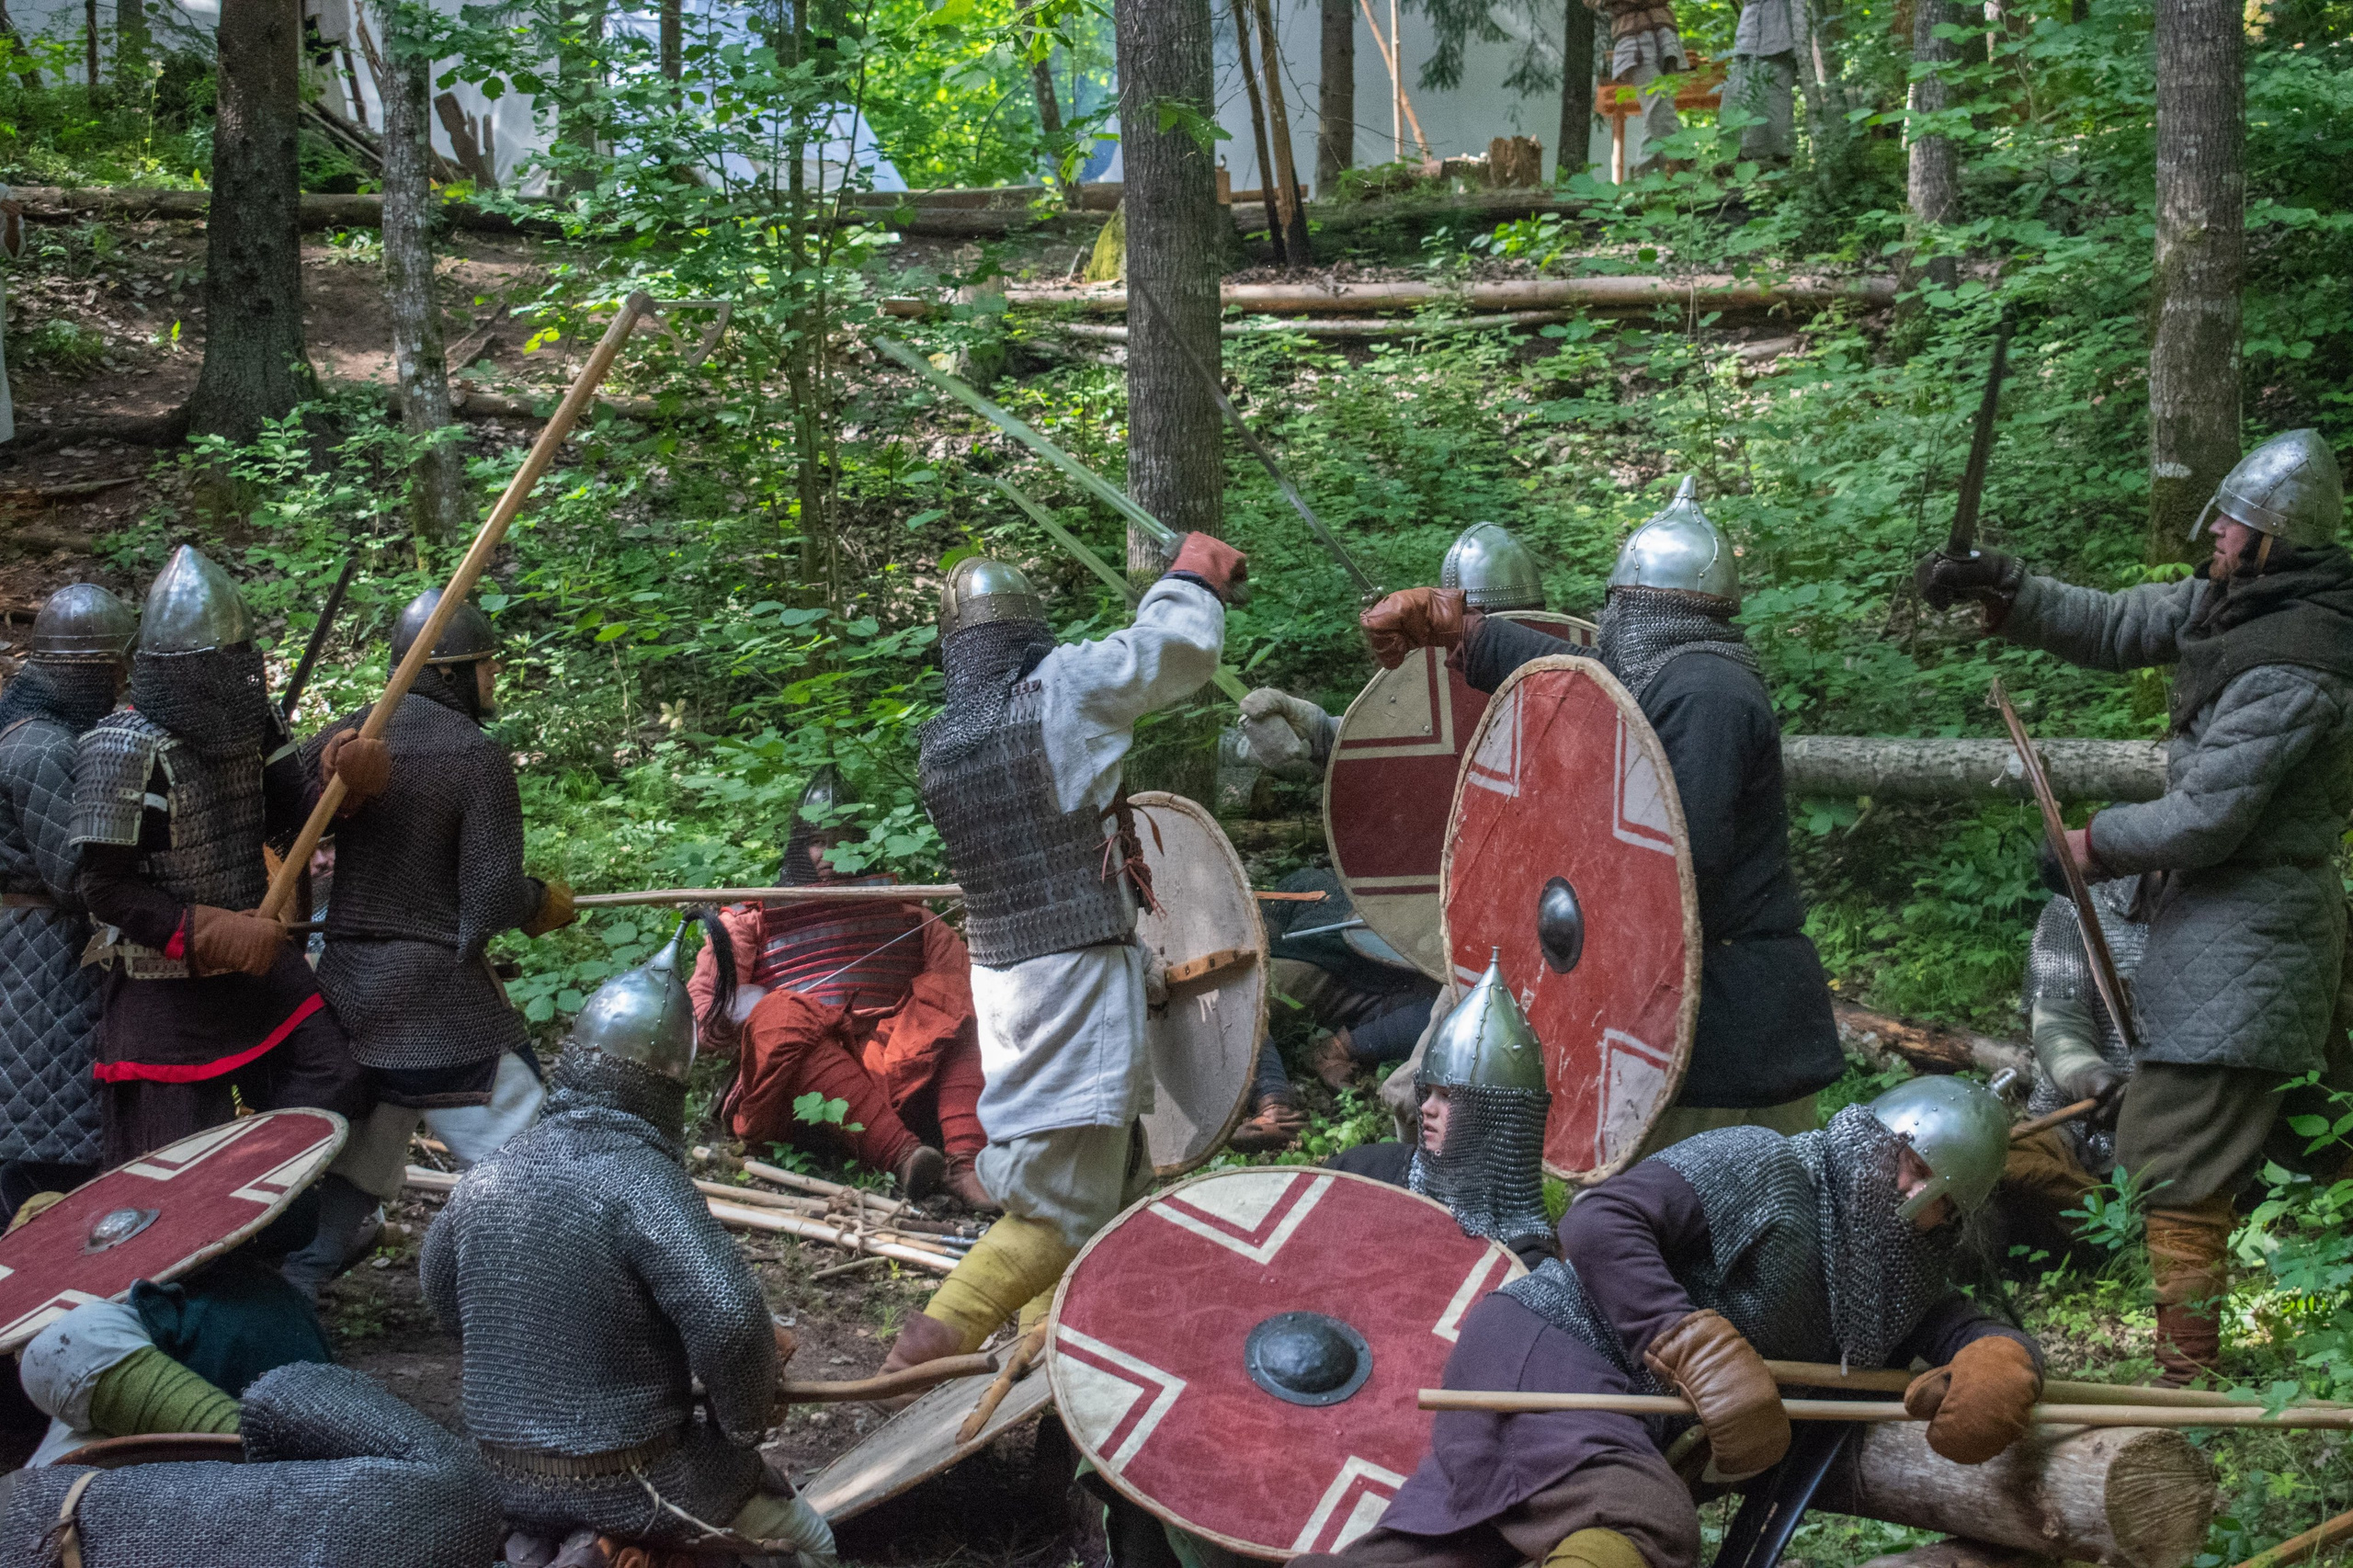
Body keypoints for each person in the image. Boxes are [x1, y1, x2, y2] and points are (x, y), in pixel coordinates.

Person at [1915, 427, 2353, 1382]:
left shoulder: (2299, 659)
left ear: (2278, 539)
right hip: (2227, 927)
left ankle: (2188, 1386)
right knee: (2221, 1153)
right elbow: (2119, 622)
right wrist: (2008, 586)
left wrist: (2091, 842)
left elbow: (2208, 818)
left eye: (2236, 526)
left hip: (2257, 929)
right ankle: (2220, 1370)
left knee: (2173, 1154)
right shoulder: (2242, 606)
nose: (2220, 538)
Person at [1292, 1078, 2042, 1568]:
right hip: (1553, 1348)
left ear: (1953, 1216)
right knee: (1644, 1523)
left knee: (1467, 1547)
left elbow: (1954, 1327)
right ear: (1871, 1136)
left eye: (1932, 1187)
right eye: (1902, 1159)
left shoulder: (1896, 1276)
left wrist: (1997, 1360)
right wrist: (1685, 1340)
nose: (1907, 1189)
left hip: (1610, 1414)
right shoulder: (1766, 1164)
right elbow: (1601, 1220)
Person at [1360, 480, 1846, 1156]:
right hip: (1694, 1012)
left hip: (1732, 1032)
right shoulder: (1675, 680)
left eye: (1616, 605)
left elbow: (1673, 865)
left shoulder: (1706, 694)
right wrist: (1464, 632)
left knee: (1714, 1229)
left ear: (1635, 607)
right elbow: (1583, 684)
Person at [880, 540, 1244, 1379]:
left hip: (1008, 983)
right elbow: (1172, 652)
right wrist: (1186, 580)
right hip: (1075, 979)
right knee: (1064, 1204)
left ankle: (1053, 1346)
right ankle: (932, 1339)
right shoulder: (1059, 692)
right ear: (1026, 634)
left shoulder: (942, 744)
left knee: (1096, 1171)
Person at [421, 915, 835, 1566]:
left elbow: (442, 1290)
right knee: (812, 1542)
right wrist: (744, 1422)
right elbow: (729, 1323)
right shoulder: (643, 1183)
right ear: (669, 1088)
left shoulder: (491, 1173)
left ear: (577, 1059)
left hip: (499, 1474)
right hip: (636, 1480)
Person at [282, 589, 574, 1298]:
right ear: (449, 672)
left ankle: (290, 1289)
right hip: (437, 1002)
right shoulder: (474, 756)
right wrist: (539, 903)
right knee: (546, 1169)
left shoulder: (349, 737)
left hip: (348, 992)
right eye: (485, 667)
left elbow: (281, 825)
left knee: (361, 1152)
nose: (492, 682)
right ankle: (568, 1297)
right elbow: (490, 898)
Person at [68, 545, 372, 1165]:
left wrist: (345, 784)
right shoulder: (122, 748)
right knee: (177, 1168)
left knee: (334, 1075)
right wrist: (201, 930)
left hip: (257, 964)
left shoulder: (248, 718)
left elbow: (293, 815)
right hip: (167, 986)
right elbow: (102, 887)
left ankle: (273, 1218)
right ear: (170, 668)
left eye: (241, 660)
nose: (234, 676)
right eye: (219, 663)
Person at [687, 765, 990, 1209]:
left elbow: (971, 999)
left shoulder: (910, 918)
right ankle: (906, 1158)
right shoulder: (751, 921)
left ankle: (968, 1164)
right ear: (796, 847)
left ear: (863, 844)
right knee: (779, 1017)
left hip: (900, 1072)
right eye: (815, 840)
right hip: (797, 1093)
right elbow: (704, 1021)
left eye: (841, 839)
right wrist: (746, 1008)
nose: (826, 854)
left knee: (957, 998)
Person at [0, 1361, 506, 1567]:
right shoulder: (456, 1495)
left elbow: (278, 1394)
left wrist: (269, 1484)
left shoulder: (459, 1491)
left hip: (30, 1515)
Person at [11, 1182, 333, 1465]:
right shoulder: (252, 1294)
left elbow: (65, 1350)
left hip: (283, 1461)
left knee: (64, 1344)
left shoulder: (232, 1305)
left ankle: (273, 1462)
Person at [0, 585, 135, 1216]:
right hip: (39, 962)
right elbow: (76, 875)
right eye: (112, 670)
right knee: (43, 1122)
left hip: (34, 953)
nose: (119, 684)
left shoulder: (37, 735)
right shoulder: (41, 747)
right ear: (84, 671)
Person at [1328, 952, 1556, 1270]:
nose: (1426, 1108)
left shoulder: (1520, 1258)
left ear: (1497, 1116)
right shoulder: (1362, 1172)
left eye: (1448, 1097)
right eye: (1429, 1091)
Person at [1997, 873, 2147, 1246]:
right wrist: (2090, 1076)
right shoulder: (2074, 910)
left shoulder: (2223, 910)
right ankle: (2106, 1222)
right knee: (2004, 1172)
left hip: (2168, 1133)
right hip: (2072, 1128)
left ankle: (2121, 1227)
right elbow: (2059, 1025)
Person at [1586, 0, 1688, 176]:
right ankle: (1690, 164)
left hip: (1665, 33)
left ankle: (1643, 180)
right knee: (1658, 102)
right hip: (1632, 37)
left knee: (1657, 111)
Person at [1726, 0, 1806, 165]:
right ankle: (1743, 155)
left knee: (1776, 98)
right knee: (1739, 94)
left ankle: (1779, 157)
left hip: (1777, 34)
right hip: (1748, 37)